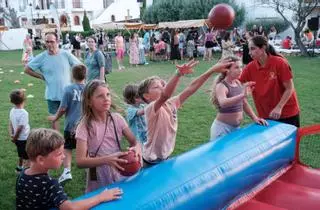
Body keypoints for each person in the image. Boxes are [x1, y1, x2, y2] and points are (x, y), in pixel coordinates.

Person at [138, 59, 233, 165]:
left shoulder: (171, 103)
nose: (162, 87)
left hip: (165, 156)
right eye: (156, 87)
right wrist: (178, 74)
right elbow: (165, 95)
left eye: (162, 84)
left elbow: (191, 88)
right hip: (151, 160)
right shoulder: (150, 109)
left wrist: (211, 70)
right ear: (147, 96)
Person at [16, 128, 123, 210]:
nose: (63, 157)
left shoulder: (22, 174)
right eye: (59, 154)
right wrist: (101, 197)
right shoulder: (49, 184)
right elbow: (70, 207)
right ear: (41, 159)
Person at [75, 80, 142, 192]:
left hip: (118, 169)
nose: (106, 98)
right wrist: (107, 160)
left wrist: (137, 148)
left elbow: (134, 141)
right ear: (89, 102)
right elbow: (80, 161)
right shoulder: (84, 126)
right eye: (100, 96)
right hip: (98, 173)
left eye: (108, 94)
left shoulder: (117, 119)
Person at [239, 35, 300, 127]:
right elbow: (237, 83)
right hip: (266, 116)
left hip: (287, 113)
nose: (249, 53)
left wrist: (279, 107)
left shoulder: (280, 63)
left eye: (252, 49)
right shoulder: (249, 68)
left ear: (263, 48)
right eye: (249, 49)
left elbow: (289, 88)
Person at [24, 32, 81, 130]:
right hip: (52, 95)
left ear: (57, 41)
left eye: (52, 41)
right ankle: (56, 142)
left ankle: (71, 139)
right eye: (47, 42)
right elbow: (27, 69)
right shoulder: (42, 57)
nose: (49, 44)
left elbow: (79, 66)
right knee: (54, 119)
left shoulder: (65, 54)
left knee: (71, 118)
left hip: (67, 93)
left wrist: (73, 79)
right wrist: (41, 76)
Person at [210, 56, 267, 140]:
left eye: (241, 67)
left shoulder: (237, 83)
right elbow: (223, 103)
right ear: (227, 70)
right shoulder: (222, 86)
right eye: (236, 67)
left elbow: (244, 103)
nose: (240, 70)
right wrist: (242, 95)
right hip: (222, 129)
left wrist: (255, 118)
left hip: (236, 128)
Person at [47, 64, 86, 183]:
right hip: (86, 125)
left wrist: (55, 117)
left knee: (68, 148)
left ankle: (67, 171)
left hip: (71, 125)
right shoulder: (89, 88)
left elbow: (63, 108)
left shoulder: (68, 89)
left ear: (72, 75)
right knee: (86, 148)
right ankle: (89, 170)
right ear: (85, 75)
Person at [9, 89, 30, 173]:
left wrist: (11, 134)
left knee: (21, 153)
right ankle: (26, 171)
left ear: (11, 101)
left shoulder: (12, 110)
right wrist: (15, 138)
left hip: (17, 138)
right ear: (24, 100)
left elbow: (10, 123)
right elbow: (20, 128)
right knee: (27, 156)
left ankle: (20, 167)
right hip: (23, 138)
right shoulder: (24, 113)